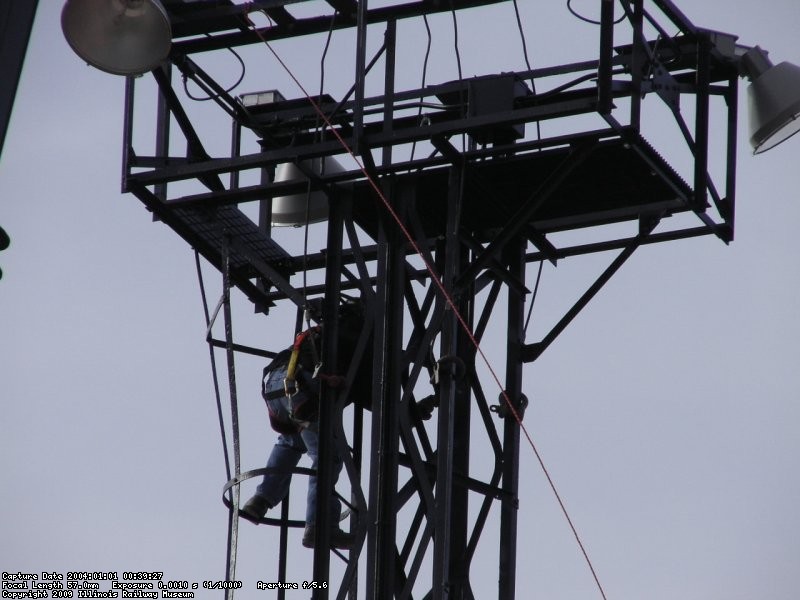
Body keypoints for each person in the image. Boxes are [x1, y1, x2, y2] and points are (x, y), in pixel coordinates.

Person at [240, 326, 355, 550]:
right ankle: (320, 526)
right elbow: (373, 394)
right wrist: (413, 411)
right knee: (327, 456)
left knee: (293, 440)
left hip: (278, 384)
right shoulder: (360, 340)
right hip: (303, 386)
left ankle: (259, 500)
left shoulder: (321, 335)